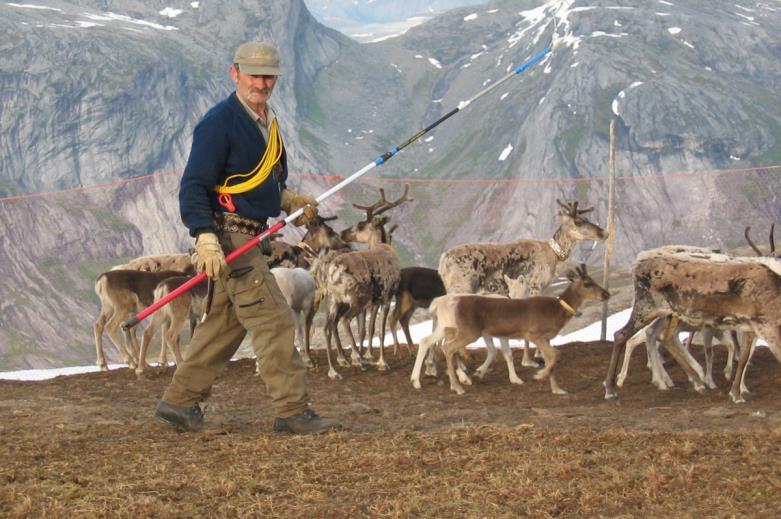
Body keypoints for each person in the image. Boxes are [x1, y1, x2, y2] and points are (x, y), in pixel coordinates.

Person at [154, 41, 341, 435]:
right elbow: (194, 186)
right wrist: (204, 237)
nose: (262, 82)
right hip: (230, 241)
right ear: (234, 73)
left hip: (249, 237)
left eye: (268, 75)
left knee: (223, 323)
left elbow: (260, 181)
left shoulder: (265, 120)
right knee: (274, 321)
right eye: (254, 74)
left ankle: (179, 403)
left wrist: (287, 198)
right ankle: (292, 411)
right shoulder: (219, 123)